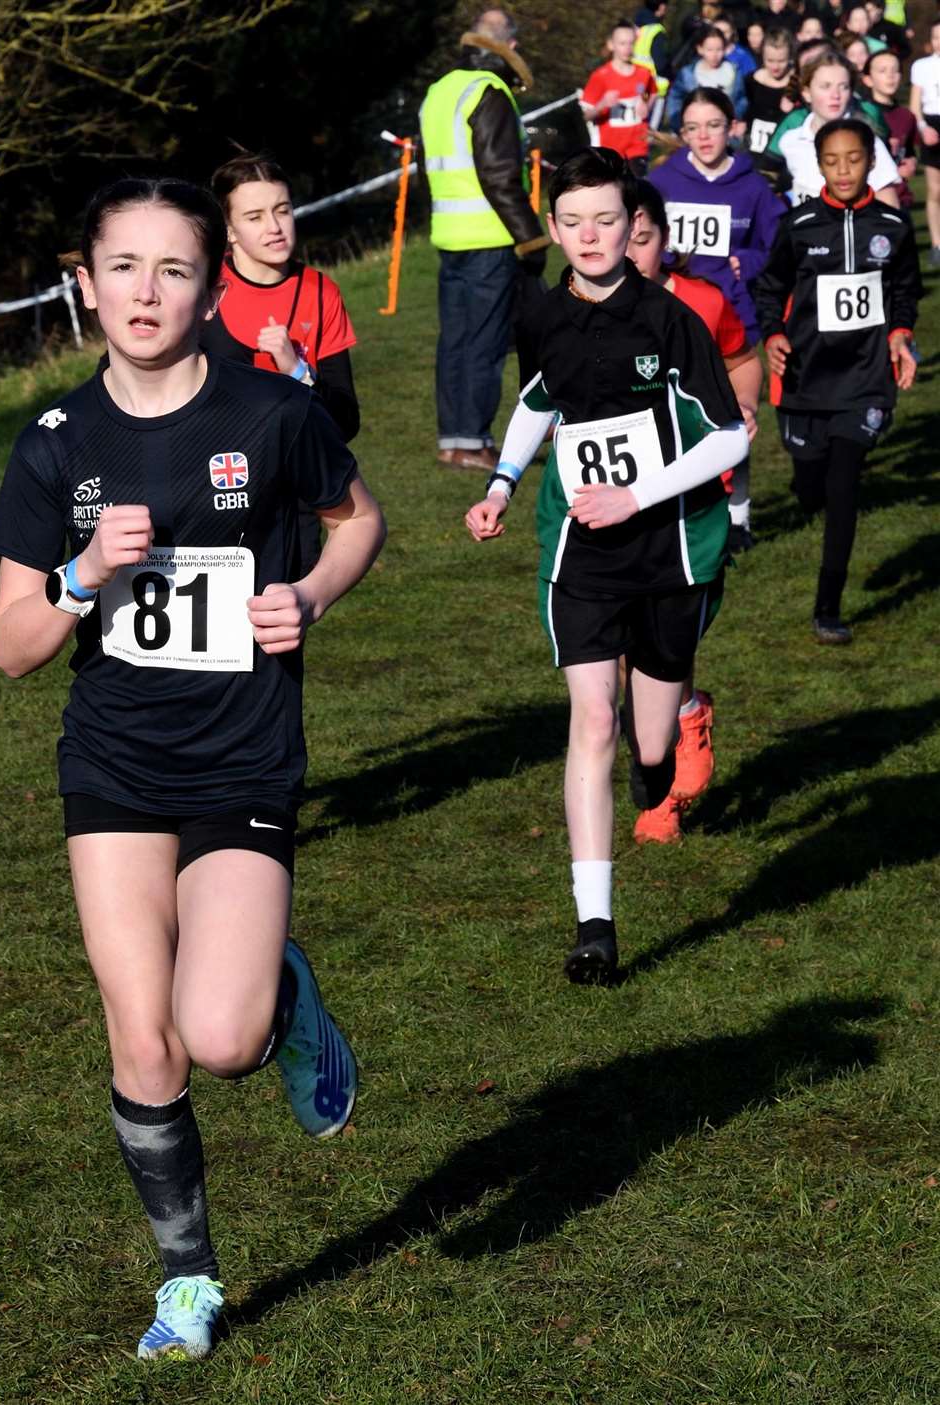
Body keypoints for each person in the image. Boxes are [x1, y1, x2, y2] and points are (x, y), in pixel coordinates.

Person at [0, 176, 386, 1360]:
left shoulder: (271, 414)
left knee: (218, 1035)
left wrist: (306, 592)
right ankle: (188, 1282)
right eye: (124, 267)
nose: (146, 292)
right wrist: (74, 578)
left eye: (173, 269)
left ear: (210, 288)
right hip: (112, 765)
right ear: (86, 282)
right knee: (142, 1036)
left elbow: (357, 519)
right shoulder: (55, 445)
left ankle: (282, 998)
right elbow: (11, 647)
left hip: (244, 757)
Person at [463, 148, 748, 982]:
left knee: (647, 747)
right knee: (592, 717)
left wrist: (638, 495)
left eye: (608, 219)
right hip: (578, 549)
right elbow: (539, 400)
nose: (591, 234)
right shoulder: (541, 316)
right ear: (554, 229)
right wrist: (503, 483)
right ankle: (595, 923)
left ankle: (663, 753)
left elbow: (730, 435)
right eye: (574, 220)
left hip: (669, 550)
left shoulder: (671, 322)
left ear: (634, 229)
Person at [626, 178, 762, 842]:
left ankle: (681, 724)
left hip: (690, 508)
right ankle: (663, 765)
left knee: (663, 642)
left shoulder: (702, 302)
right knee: (624, 650)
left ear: (665, 239)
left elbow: (741, 356)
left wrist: (746, 408)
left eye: (642, 239)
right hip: (615, 506)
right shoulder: (581, 310)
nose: (628, 254)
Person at [755, 118, 921, 642]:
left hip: (866, 378)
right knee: (812, 486)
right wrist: (774, 335)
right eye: (832, 161)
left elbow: (904, 292)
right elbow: (768, 289)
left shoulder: (893, 227)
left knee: (844, 484)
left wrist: (899, 333)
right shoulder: (798, 225)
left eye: (853, 159)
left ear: (871, 161)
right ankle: (808, 481)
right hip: (806, 378)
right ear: (818, 166)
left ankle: (828, 607)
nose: (843, 170)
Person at [204, 151, 360, 574]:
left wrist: (296, 370)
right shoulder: (200, 290)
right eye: (254, 217)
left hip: (294, 496)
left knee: (281, 631)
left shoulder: (320, 292)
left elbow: (345, 421)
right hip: (208, 490)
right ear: (229, 231)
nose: (274, 227)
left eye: (283, 210)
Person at [649, 86, 787, 548]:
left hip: (733, 317)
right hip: (673, 318)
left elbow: (777, 244)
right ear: (681, 132)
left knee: (735, 417)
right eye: (692, 127)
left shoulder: (752, 186)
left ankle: (738, 518)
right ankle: (676, 510)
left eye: (713, 125)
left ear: (733, 128)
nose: (704, 136)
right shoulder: (664, 182)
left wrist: (745, 262)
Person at [419, 7, 545, 472]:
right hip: (490, 237)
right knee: (484, 343)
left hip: (448, 235)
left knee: (453, 340)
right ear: (508, 48)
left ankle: (452, 441)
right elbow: (500, 177)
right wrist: (531, 238)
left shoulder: (439, 91)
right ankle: (474, 442)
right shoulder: (490, 93)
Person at [759, 50, 900, 201]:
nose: (835, 95)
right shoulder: (791, 141)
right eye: (825, 86)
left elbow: (889, 205)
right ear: (806, 92)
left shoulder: (867, 141)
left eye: (843, 87)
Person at [580, 19, 658, 174]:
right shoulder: (600, 76)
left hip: (637, 146)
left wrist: (646, 106)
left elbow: (653, 93)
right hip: (611, 147)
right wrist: (602, 104)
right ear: (611, 45)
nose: (627, 49)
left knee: (637, 190)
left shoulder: (644, 73)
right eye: (622, 43)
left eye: (631, 43)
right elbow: (586, 116)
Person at [666, 25, 748, 131]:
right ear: (700, 49)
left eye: (719, 49)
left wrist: (735, 118)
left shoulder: (734, 71)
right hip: (695, 131)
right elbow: (675, 98)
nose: (715, 55)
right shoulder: (688, 74)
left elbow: (741, 99)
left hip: (724, 131)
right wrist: (678, 122)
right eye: (710, 50)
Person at [862, 48, 917, 207]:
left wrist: (911, 163)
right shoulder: (861, 114)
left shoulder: (906, 116)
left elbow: (909, 151)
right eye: (882, 71)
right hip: (870, 201)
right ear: (868, 79)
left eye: (895, 70)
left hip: (901, 199)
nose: (890, 75)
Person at [910, 19, 940, 266]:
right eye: (936, 37)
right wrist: (923, 128)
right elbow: (914, 105)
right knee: (935, 190)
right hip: (932, 126)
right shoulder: (921, 66)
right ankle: (936, 244)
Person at [744, 26, 798, 155]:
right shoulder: (752, 80)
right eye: (770, 61)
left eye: (781, 61)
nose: (775, 66)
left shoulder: (797, 82)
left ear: (790, 57)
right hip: (754, 147)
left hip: (784, 149)